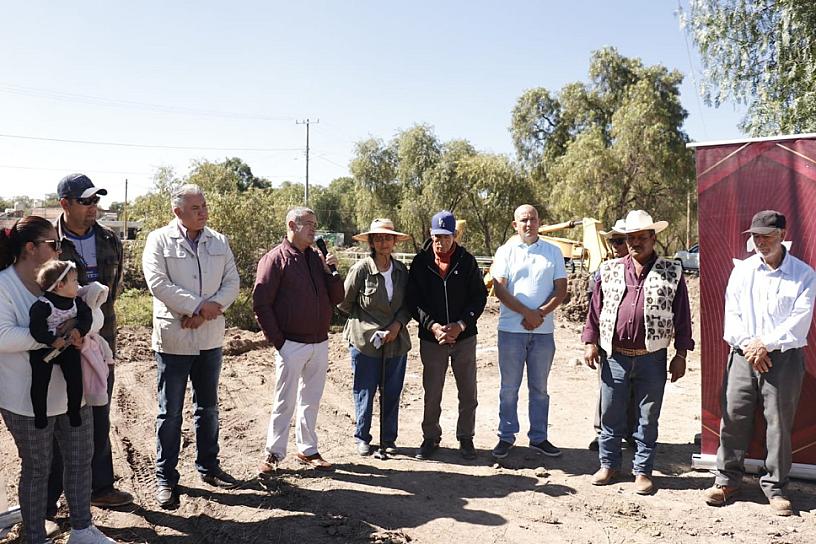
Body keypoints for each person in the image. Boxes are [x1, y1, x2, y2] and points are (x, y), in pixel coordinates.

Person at [0, 216, 117, 544]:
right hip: (24, 399)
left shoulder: (61, 276)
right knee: (38, 470)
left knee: (80, 461)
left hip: (72, 393)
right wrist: (54, 337)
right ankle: (35, 537)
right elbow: (3, 336)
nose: (58, 248)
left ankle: (82, 530)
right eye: (52, 243)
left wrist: (79, 329)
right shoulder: (4, 286)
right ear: (30, 248)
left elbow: (93, 314)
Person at [703, 210, 816, 516]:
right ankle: (726, 480)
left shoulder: (804, 274)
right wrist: (752, 346)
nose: (760, 241)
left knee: (779, 424)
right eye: (755, 236)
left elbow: (799, 321)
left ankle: (776, 488)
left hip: (784, 359)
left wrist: (766, 344)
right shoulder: (742, 271)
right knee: (734, 418)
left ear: (782, 234)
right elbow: (733, 315)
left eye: (766, 235)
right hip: (743, 354)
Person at [142, 184, 240, 508]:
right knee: (169, 412)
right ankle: (165, 478)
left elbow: (232, 282)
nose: (202, 212)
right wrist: (197, 306)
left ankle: (209, 466)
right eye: (195, 207)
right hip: (174, 339)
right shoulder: (158, 240)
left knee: (208, 408)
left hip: (209, 337)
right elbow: (158, 284)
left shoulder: (219, 241)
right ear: (177, 211)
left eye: (204, 205)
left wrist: (209, 310)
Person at [582, 209, 693, 495]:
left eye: (641, 237)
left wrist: (681, 354)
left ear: (653, 238)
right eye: (630, 238)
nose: (635, 243)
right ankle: (609, 464)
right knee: (610, 413)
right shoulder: (609, 270)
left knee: (647, 417)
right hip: (614, 355)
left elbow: (682, 315)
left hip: (652, 357)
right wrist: (590, 342)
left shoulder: (672, 271)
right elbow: (595, 310)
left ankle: (642, 471)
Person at [48, 173, 132, 512]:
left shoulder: (110, 239)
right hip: (60, 347)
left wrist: (94, 326)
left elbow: (116, 289)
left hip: (99, 344)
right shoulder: (48, 242)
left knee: (99, 413)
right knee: (58, 419)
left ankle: (100, 487)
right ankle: (50, 501)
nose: (93, 207)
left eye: (96, 200)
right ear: (65, 203)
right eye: (86, 201)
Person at [254, 207, 344, 476]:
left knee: (311, 399)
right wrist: (279, 342)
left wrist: (332, 270)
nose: (314, 229)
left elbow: (337, 297)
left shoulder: (317, 259)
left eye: (315, 224)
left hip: (320, 342)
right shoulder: (275, 259)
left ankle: (307, 449)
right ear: (292, 225)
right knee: (284, 401)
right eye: (309, 224)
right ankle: (273, 453)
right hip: (291, 344)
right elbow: (261, 304)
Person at [490, 204, 568, 460]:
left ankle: (539, 437)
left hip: (543, 333)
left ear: (539, 222)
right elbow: (499, 290)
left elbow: (561, 289)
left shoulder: (553, 252)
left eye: (532, 219)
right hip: (512, 330)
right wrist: (527, 312)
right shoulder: (505, 252)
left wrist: (540, 314)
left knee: (540, 388)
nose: (528, 224)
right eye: (523, 220)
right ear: (515, 224)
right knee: (509, 388)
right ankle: (506, 436)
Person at [408, 210, 487, 461]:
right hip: (432, 339)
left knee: (468, 391)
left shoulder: (467, 261)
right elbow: (413, 302)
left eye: (446, 236)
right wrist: (433, 327)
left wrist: (461, 324)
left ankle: (466, 437)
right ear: (430, 235)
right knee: (432, 392)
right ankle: (430, 437)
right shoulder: (421, 263)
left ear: (454, 235)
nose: (440, 242)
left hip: (464, 337)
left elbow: (479, 296)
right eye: (436, 237)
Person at [338, 219, 412, 456]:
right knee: (365, 391)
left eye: (387, 237)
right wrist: (368, 326)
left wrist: (396, 326)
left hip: (396, 341)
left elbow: (409, 304)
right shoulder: (361, 269)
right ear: (371, 242)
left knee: (392, 392)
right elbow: (344, 303)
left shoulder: (401, 271)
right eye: (378, 238)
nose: (383, 242)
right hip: (364, 343)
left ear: (394, 241)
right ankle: (363, 437)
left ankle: (388, 439)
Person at [587, 219, 636, 452]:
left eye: (620, 240)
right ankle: (602, 434)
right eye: (612, 241)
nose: (615, 245)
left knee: (636, 390)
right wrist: (591, 340)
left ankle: (632, 433)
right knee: (608, 389)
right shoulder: (602, 271)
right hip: (609, 342)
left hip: (638, 345)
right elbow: (593, 308)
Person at [28, 260, 92, 429]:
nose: (78, 284)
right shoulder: (42, 305)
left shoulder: (76, 302)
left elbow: (87, 317)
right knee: (40, 382)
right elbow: (36, 328)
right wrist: (51, 340)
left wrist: (79, 330)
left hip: (67, 347)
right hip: (43, 350)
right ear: (59, 285)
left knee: (75, 379)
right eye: (74, 281)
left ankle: (73, 411)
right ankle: (40, 415)